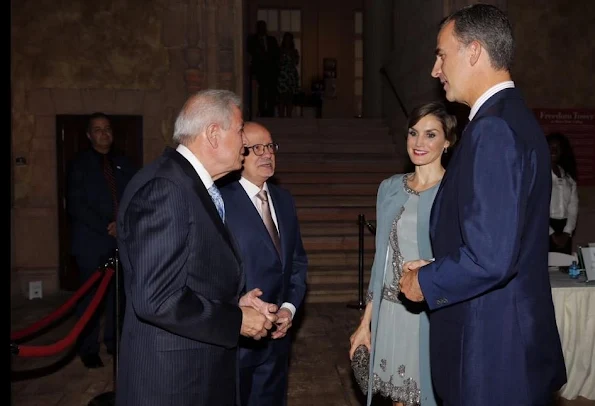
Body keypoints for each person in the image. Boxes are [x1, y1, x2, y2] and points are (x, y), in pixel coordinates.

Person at [399, 4, 567, 405]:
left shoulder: (492, 130)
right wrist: (440, 264)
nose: (435, 70)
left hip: (492, 355)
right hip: (504, 344)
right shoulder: (511, 119)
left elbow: (491, 257)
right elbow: (497, 240)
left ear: (473, 52)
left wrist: (424, 282)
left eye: (441, 54)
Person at [115, 90, 279, 406]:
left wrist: (236, 302)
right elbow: (156, 298)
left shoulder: (187, 184)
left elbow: (188, 274)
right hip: (174, 383)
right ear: (213, 134)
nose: (245, 142)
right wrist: (236, 320)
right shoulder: (166, 189)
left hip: (194, 373)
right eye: (240, 129)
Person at [348, 102, 456, 406]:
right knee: (400, 401)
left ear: (447, 141)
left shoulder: (455, 190)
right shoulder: (390, 188)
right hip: (392, 314)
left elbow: (465, 256)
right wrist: (365, 322)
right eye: (413, 133)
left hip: (431, 314)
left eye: (430, 134)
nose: (419, 143)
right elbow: (380, 259)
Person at [219, 121, 308, 406]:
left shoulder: (284, 200)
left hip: (278, 340)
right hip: (237, 341)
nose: (266, 154)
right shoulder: (219, 200)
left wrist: (289, 308)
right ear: (239, 153)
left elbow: (296, 262)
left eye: (270, 146)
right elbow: (210, 271)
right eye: (256, 148)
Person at [66, 112, 136, 369]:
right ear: (88, 135)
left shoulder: (125, 163)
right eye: (97, 129)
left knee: (118, 299)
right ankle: (88, 349)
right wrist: (106, 227)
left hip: (121, 241)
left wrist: (123, 225)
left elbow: (136, 196)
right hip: (91, 242)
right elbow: (76, 204)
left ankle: (115, 343)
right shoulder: (79, 164)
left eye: (107, 128)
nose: (103, 133)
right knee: (90, 300)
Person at [547, 132, 579, 254]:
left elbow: (573, 208)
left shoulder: (569, 178)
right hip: (544, 227)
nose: (554, 150)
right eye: (550, 147)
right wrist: (552, 234)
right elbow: (536, 209)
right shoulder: (539, 176)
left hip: (565, 229)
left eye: (557, 147)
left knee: (565, 269)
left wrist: (567, 232)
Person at [247, 20, 280, 117]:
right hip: (259, 70)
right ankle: (261, 111)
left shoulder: (272, 40)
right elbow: (251, 51)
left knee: (271, 92)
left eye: (264, 27)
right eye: (260, 27)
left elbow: (276, 53)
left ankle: (271, 111)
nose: (262, 29)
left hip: (271, 70)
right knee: (261, 92)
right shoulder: (253, 40)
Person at [277, 32, 300, 118]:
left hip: (291, 76)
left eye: (289, 39)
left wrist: (292, 56)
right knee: (282, 97)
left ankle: (289, 116)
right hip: (282, 76)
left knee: (290, 97)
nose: (288, 41)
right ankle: (281, 116)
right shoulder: (280, 50)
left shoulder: (294, 51)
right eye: (286, 39)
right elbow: (277, 62)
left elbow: (296, 62)